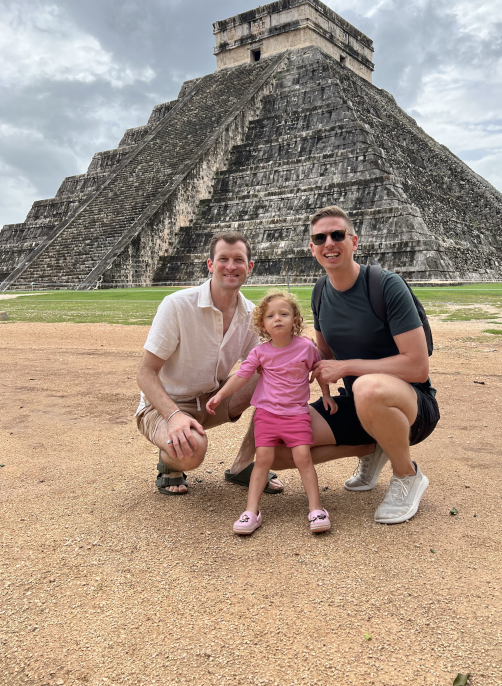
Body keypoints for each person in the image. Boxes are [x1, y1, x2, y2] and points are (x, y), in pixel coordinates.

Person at [263, 205, 440, 524]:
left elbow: (417, 367)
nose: (329, 242)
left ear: (354, 241)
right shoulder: (319, 292)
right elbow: (325, 356)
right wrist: (321, 389)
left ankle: (407, 475)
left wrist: (347, 369)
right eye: (320, 237)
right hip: (357, 404)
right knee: (277, 444)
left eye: (337, 235)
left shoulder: (386, 285)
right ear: (312, 247)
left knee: (366, 387)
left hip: (410, 404)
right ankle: (374, 446)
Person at [135, 230, 283, 496]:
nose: (230, 266)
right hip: (166, 404)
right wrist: (173, 415)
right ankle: (170, 463)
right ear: (210, 265)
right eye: (223, 259)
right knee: (192, 452)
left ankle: (243, 465)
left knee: (274, 371)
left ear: (249, 267)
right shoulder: (178, 305)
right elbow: (145, 373)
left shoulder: (250, 314)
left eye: (238, 259)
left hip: (213, 399)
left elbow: (270, 361)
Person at [206, 291, 335, 534]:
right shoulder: (260, 353)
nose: (277, 319)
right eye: (271, 316)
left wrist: (326, 395)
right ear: (262, 324)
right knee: (262, 460)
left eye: (284, 314)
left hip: (296, 415)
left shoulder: (306, 347)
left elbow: (318, 370)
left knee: (303, 459)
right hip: (266, 415)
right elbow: (242, 376)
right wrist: (220, 395)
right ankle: (251, 512)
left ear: (294, 320)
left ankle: (316, 509)